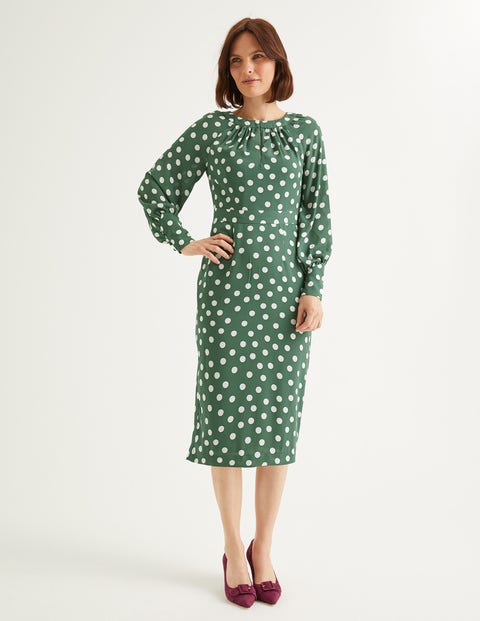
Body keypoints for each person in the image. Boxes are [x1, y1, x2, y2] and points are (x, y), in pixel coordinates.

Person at [137, 16, 333, 607]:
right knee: (226, 422)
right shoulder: (213, 130)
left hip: (284, 300)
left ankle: (263, 547)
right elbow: (155, 188)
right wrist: (185, 241)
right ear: (228, 70)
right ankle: (231, 546)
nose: (248, 69)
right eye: (237, 60)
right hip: (227, 298)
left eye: (259, 57)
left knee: (276, 421)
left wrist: (313, 287)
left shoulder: (304, 132)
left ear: (278, 63)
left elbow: (314, 214)